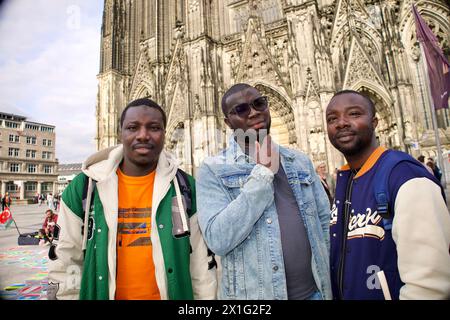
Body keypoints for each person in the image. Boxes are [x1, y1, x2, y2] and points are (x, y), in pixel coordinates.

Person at [48, 98, 217, 300]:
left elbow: (201, 266)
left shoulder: (185, 187)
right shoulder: (85, 187)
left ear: (165, 134)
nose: (143, 135)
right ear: (120, 133)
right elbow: (65, 261)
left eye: (154, 128)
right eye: (132, 127)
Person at [197, 83, 332, 300]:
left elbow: (324, 225)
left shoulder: (299, 162)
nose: (253, 112)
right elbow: (218, 239)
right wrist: (263, 173)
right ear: (227, 122)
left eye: (259, 103)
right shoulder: (213, 170)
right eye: (241, 109)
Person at [326, 90, 450, 300]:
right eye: (332, 118)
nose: (342, 123)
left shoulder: (406, 177)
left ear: (375, 123)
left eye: (354, 114)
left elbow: (430, 287)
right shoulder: (346, 180)